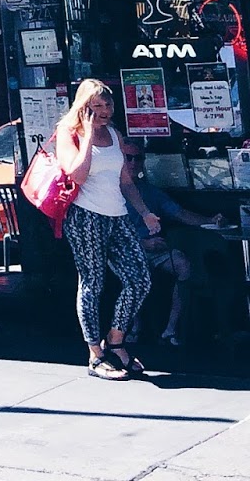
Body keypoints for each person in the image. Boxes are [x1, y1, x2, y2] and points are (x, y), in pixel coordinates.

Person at [55, 78, 160, 379]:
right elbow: (76, 175)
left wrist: (145, 212)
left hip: (118, 214)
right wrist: (88, 135)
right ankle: (95, 354)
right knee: (92, 282)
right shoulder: (69, 132)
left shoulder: (114, 134)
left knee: (139, 278)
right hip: (86, 215)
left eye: (108, 104)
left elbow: (125, 180)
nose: (104, 111)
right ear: (84, 107)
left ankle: (115, 339)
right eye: (97, 105)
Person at [123, 139, 223, 348]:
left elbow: (180, 213)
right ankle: (133, 327)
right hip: (125, 251)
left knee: (183, 264)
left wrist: (210, 220)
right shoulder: (109, 192)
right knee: (132, 272)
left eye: (138, 158)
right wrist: (141, 244)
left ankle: (170, 329)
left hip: (155, 248)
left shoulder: (150, 191)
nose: (133, 163)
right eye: (128, 158)